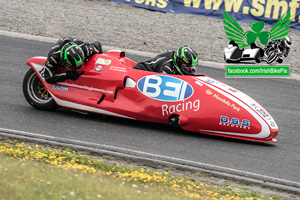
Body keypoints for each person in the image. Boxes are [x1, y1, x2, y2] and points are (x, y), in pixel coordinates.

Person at [133, 46, 198, 75]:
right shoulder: (167, 67)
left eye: (192, 67)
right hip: (139, 72)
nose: (190, 70)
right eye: (187, 67)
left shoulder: (175, 64)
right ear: (179, 63)